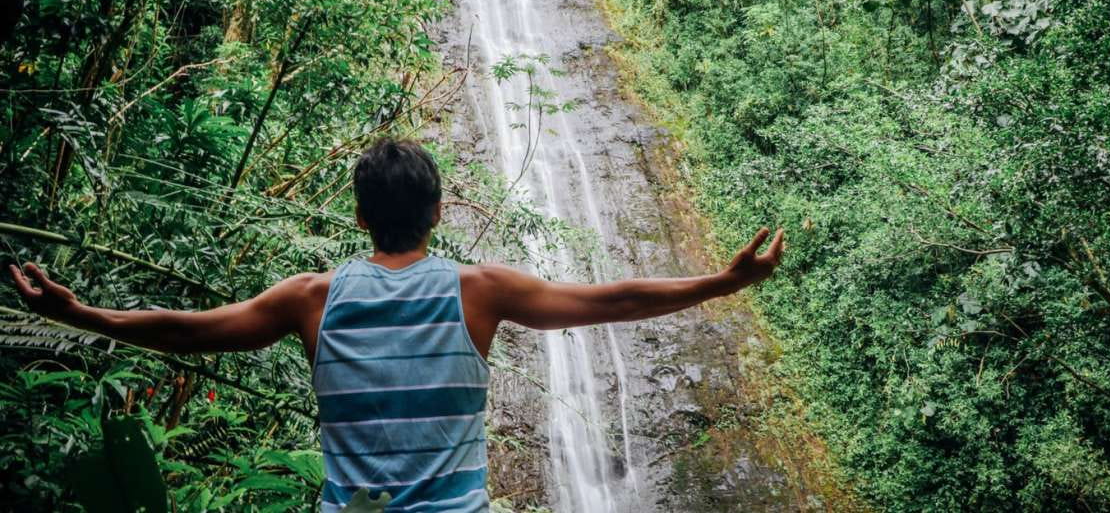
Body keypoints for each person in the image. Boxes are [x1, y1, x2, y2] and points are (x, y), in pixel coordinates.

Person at [8, 137, 784, 512]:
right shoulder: (480, 291)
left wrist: (82, 313)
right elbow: (611, 301)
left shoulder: (311, 298)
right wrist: (721, 281)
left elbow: (187, 330)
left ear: (357, 216)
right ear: (439, 212)